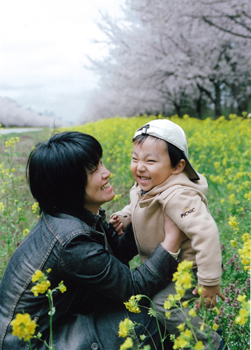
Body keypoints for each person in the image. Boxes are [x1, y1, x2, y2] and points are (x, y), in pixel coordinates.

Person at [0, 131, 185, 350]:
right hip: (34, 342)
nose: (106, 173)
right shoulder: (72, 241)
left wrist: (148, 212)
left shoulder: (76, 215)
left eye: (100, 163)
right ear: (70, 186)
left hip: (58, 322)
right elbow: (134, 288)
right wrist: (172, 240)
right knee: (145, 323)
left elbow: (116, 252)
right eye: (94, 170)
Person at [110, 119, 228, 350]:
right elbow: (137, 204)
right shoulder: (146, 185)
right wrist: (124, 217)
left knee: (164, 305)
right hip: (168, 266)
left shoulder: (178, 196)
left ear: (177, 167)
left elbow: (206, 233)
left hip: (191, 268)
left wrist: (210, 281)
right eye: (135, 159)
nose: (140, 166)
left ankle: (212, 344)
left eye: (150, 160)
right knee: (145, 304)